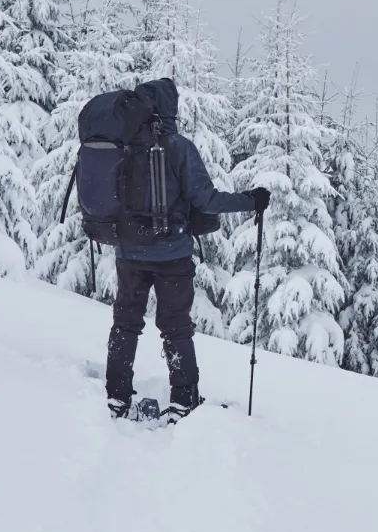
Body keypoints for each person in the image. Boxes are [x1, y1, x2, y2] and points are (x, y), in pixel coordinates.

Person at [104, 77, 269, 422]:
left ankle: (117, 397)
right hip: (172, 255)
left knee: (125, 322)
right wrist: (250, 200)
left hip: (129, 253)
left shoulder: (123, 143)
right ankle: (183, 399)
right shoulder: (179, 148)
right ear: (169, 109)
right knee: (176, 326)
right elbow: (206, 200)